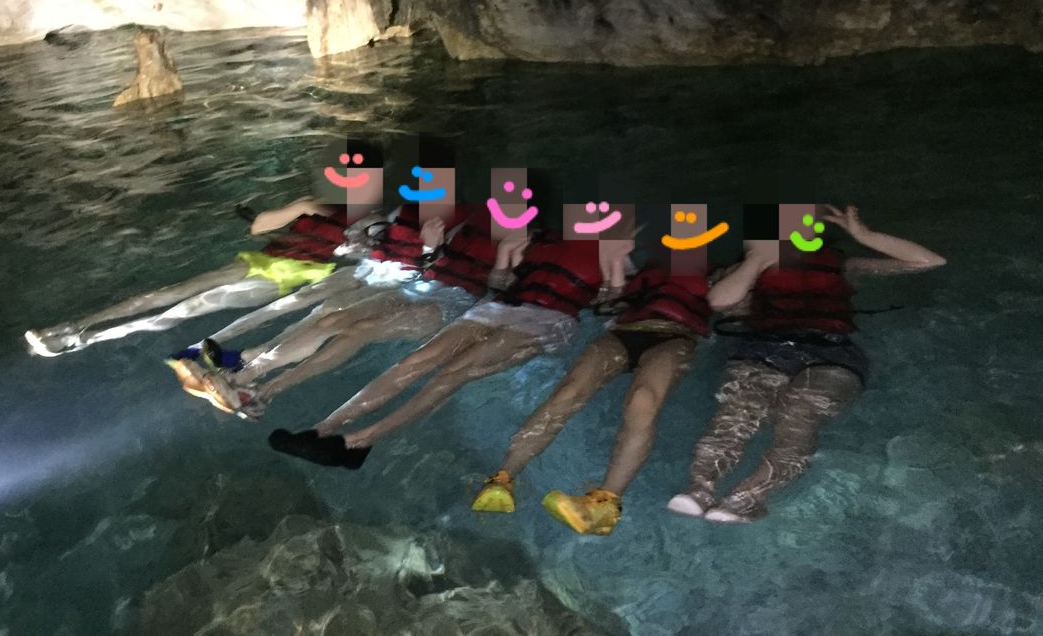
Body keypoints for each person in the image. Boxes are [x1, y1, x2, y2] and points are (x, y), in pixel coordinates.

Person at [666, 204, 945, 523]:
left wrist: (865, 236)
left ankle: (748, 497)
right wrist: (757, 260)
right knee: (740, 410)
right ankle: (699, 489)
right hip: (763, 349)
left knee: (799, 413)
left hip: (833, 352)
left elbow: (928, 261)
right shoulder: (741, 271)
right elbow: (719, 302)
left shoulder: (842, 266)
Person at [267, 228, 623, 470]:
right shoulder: (539, 240)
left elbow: (609, 307)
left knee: (453, 372)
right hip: (503, 306)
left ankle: (360, 440)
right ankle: (322, 429)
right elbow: (497, 282)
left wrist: (609, 289)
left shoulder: (615, 255)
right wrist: (506, 259)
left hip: (550, 320)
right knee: (420, 359)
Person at [170, 204, 508, 419]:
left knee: (358, 331)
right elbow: (406, 254)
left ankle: (264, 393)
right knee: (332, 319)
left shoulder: (509, 239)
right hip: (414, 286)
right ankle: (242, 379)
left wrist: (434, 251)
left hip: (448, 302)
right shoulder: (454, 214)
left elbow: (496, 283)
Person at [470, 260, 711, 536]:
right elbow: (604, 297)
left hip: (677, 336)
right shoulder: (640, 265)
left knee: (643, 400)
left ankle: (605, 504)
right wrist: (612, 281)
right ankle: (502, 480)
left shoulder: (716, 269)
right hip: (624, 331)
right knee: (569, 390)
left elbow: (731, 306)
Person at [24, 197, 379, 357]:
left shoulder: (370, 232)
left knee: (182, 310)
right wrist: (304, 207)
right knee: (160, 295)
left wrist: (356, 243)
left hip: (277, 280)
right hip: (259, 260)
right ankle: (71, 326)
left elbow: (363, 256)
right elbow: (260, 228)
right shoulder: (323, 207)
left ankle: (84, 339)